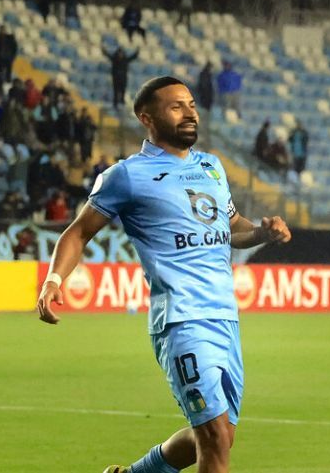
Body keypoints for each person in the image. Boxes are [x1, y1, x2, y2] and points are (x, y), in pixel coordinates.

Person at [36, 76, 292, 473]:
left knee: (219, 435)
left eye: (191, 104)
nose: (190, 112)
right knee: (214, 440)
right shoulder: (127, 176)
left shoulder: (212, 167)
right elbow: (78, 232)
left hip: (225, 318)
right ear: (147, 118)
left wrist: (262, 233)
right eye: (176, 107)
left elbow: (231, 227)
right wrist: (53, 281)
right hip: (181, 321)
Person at [103, 46, 140, 110]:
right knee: (116, 91)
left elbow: (133, 57)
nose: (120, 54)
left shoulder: (125, 60)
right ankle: (115, 104)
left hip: (123, 78)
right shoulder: (114, 59)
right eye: (119, 53)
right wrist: (104, 51)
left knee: (123, 90)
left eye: (121, 53)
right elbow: (108, 55)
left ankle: (122, 102)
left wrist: (137, 52)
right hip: (116, 78)